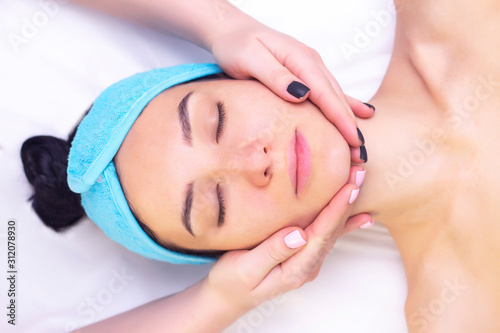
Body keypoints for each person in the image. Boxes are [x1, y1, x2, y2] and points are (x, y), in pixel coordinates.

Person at [24, 0, 500, 331]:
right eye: (217, 204)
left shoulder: (446, 14)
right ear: (248, 254)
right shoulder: (459, 313)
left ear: (241, 71)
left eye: (218, 121)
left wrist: (221, 23)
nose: (253, 161)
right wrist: (220, 301)